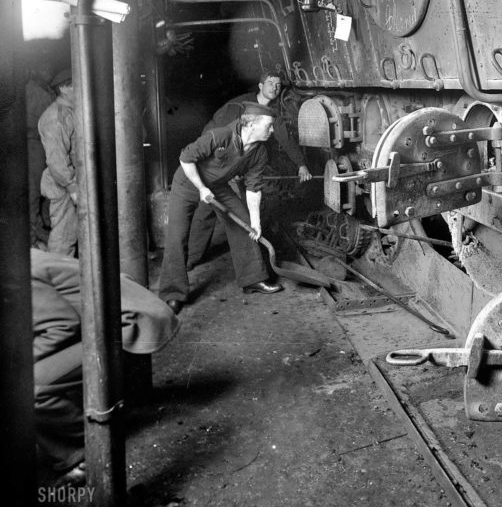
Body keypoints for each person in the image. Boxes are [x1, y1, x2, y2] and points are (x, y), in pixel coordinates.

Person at [32, 249, 179, 482]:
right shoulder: (18, 256)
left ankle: (85, 451)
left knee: (29, 387)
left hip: (130, 325)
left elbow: (62, 326)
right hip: (123, 315)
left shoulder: (15, 276)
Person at [159, 101, 284, 314]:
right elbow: (186, 158)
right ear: (251, 125)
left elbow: (253, 189)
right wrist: (200, 188)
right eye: (269, 126)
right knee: (177, 235)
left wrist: (255, 222)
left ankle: (253, 279)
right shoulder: (220, 136)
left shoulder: (259, 152)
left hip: (217, 186)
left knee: (244, 225)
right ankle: (173, 293)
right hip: (187, 183)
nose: (272, 130)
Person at [185, 69, 312, 272]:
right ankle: (192, 258)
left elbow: (285, 140)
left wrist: (301, 164)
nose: (275, 88)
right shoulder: (238, 106)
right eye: (271, 83)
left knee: (238, 215)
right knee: (206, 210)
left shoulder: (272, 114)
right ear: (260, 86)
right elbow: (213, 133)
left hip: (237, 166)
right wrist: (222, 162)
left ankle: (252, 269)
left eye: (278, 85)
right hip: (213, 163)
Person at [38, 68, 77, 255]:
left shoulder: (70, 112)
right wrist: (73, 188)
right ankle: (56, 281)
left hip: (72, 182)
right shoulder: (56, 118)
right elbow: (57, 161)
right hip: (63, 186)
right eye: (76, 85)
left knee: (73, 234)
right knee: (64, 238)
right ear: (64, 88)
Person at [26, 67, 56, 247]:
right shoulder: (34, 92)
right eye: (44, 67)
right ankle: (32, 240)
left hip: (41, 147)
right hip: (34, 146)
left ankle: (39, 234)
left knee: (42, 193)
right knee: (34, 194)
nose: (48, 71)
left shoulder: (41, 90)